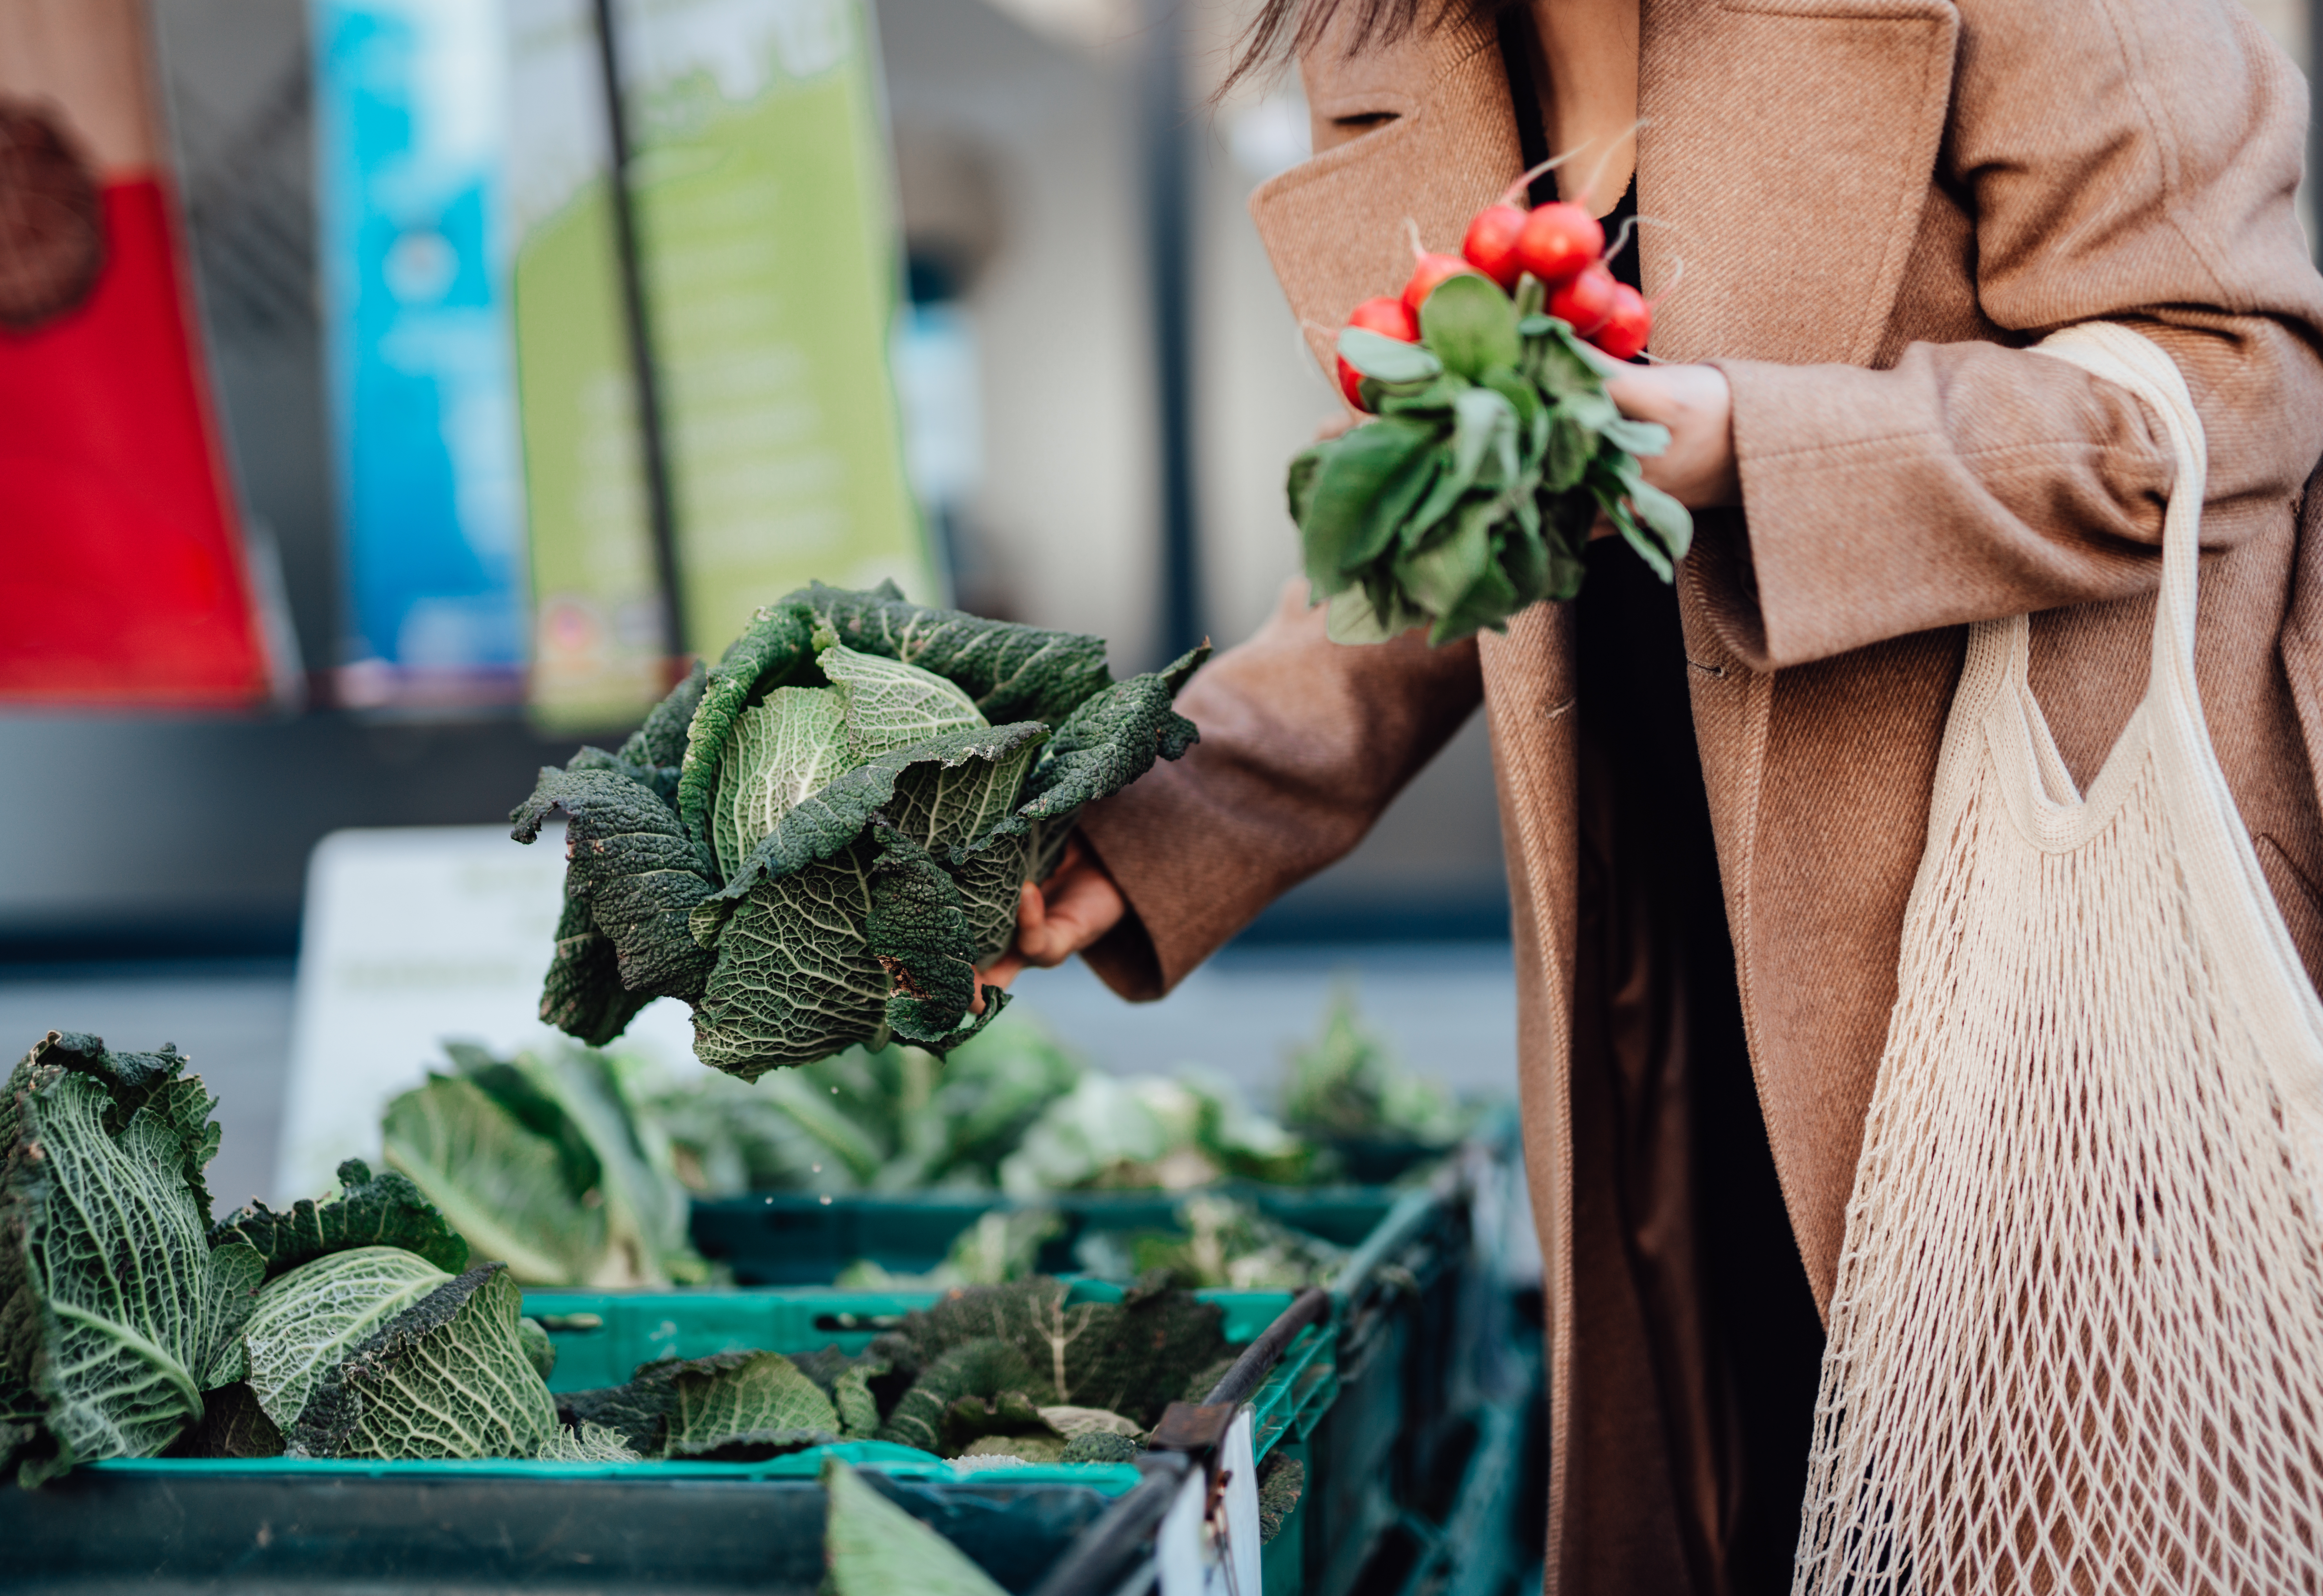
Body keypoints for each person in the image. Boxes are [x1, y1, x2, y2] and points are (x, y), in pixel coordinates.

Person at [985, 0, 2323, 1591]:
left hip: (2046, 980)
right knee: (1730, 1489)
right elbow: (1431, 534)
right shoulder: (1396, 39)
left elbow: (2232, 381)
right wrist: (1144, 818)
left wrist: (1765, 447)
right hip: (1674, 995)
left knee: (2075, 1522)